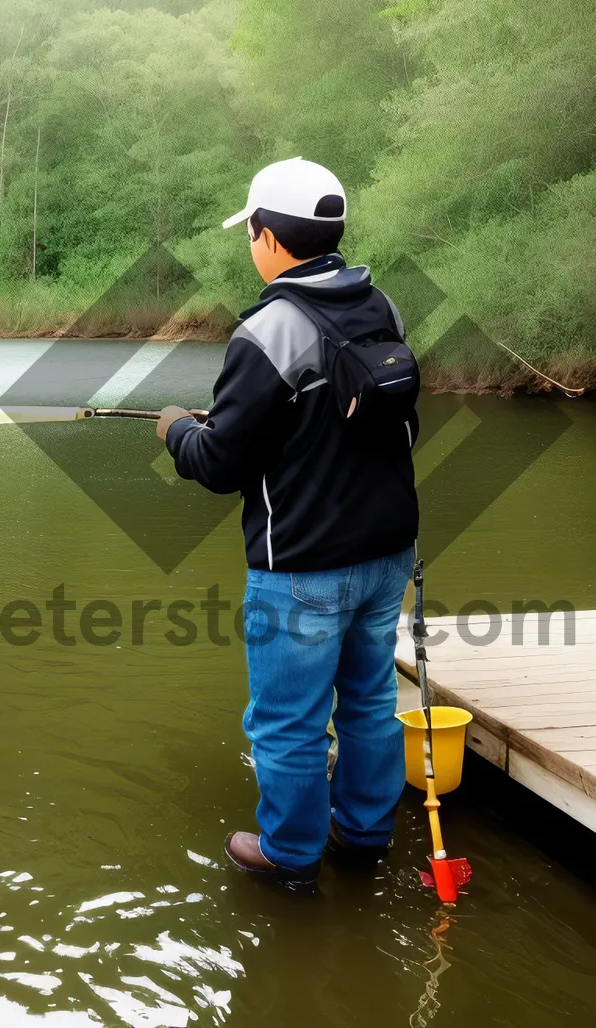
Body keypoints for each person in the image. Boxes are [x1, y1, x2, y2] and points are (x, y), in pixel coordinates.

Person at [156, 157, 419, 890]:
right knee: (369, 700)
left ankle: (290, 854)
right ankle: (364, 835)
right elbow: (353, 419)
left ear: (269, 236)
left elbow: (217, 464)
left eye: (251, 233)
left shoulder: (267, 331)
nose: (251, 245)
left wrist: (176, 429)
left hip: (303, 566)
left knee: (288, 721)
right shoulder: (383, 307)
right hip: (389, 552)